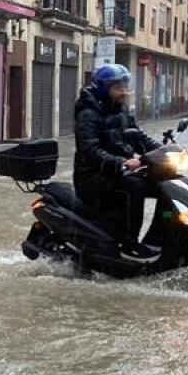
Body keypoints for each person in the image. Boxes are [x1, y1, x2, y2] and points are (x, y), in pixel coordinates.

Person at [73, 64, 163, 261]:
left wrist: (163, 151)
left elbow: (138, 136)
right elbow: (89, 150)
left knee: (163, 186)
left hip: (117, 172)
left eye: (124, 86)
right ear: (104, 89)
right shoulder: (88, 114)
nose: (124, 91)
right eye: (118, 87)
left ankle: (160, 238)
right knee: (136, 187)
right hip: (92, 177)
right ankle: (128, 244)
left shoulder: (121, 109)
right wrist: (122, 162)